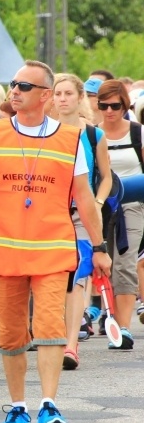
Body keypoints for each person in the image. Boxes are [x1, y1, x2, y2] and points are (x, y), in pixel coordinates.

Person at [0, 60, 112, 423]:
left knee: (49, 327)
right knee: (10, 335)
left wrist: (100, 246)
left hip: (52, 248)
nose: (15, 90)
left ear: (45, 96)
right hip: (3, 249)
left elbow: (84, 197)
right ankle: (17, 407)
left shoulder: (70, 139)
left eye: (24, 86)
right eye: (13, 84)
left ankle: (48, 404)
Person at [53, 74, 113, 369]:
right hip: (48, 215)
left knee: (79, 277)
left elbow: (106, 176)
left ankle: (70, 345)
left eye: (67, 93)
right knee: (51, 278)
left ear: (80, 98)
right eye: (57, 93)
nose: (62, 99)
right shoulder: (42, 132)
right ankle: (49, 335)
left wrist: (98, 203)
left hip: (81, 215)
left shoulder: (93, 135)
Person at [97, 80, 140, 349]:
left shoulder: (138, 133)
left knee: (125, 263)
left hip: (133, 204)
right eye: (104, 105)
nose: (110, 111)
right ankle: (108, 318)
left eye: (116, 105)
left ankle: (122, 329)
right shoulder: (93, 134)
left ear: (125, 104)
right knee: (104, 264)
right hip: (100, 205)